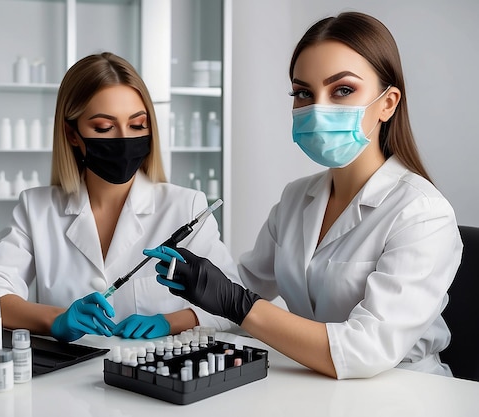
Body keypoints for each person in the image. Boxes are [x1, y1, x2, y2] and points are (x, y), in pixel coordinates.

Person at [144, 12, 463, 379]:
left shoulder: (422, 213)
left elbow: (365, 349)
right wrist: (177, 315)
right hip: (314, 385)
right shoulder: (297, 199)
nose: (317, 107)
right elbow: (244, 287)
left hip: (405, 393)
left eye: (342, 90)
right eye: (303, 93)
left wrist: (236, 302)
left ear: (387, 103)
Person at [0, 52, 240, 342]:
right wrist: (55, 319)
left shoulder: (186, 207)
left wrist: (170, 322)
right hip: (64, 382)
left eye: (137, 125)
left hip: (152, 380)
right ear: (72, 134)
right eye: (104, 128)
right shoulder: (37, 208)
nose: (123, 139)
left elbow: (232, 303)